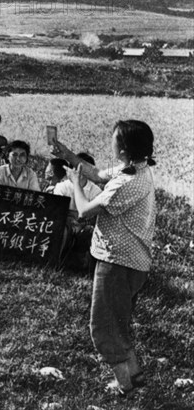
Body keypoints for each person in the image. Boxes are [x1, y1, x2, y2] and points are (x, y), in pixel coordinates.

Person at [52, 120, 156, 395]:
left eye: (114, 140)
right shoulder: (137, 168)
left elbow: (85, 210)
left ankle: (124, 386)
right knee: (120, 321)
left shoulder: (126, 182)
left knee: (104, 326)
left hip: (117, 263)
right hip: (134, 262)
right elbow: (97, 173)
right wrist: (65, 153)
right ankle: (135, 377)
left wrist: (75, 183)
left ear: (123, 150)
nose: (110, 143)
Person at [54, 153, 102, 269]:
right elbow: (58, 210)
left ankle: (84, 265)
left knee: (89, 232)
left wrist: (81, 219)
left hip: (85, 225)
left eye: (85, 169)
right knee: (62, 229)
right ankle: (56, 261)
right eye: (77, 168)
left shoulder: (96, 191)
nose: (80, 173)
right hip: (66, 223)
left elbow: (94, 215)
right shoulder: (62, 187)